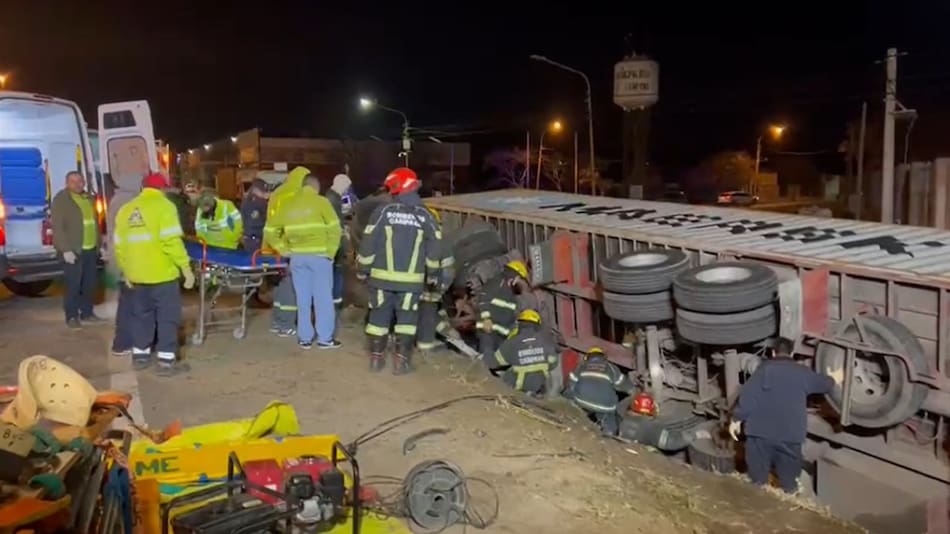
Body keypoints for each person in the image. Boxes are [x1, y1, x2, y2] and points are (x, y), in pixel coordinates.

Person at [729, 338, 843, 493]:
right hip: (789, 436)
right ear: (792, 353)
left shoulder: (763, 370)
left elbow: (747, 397)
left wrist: (736, 419)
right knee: (789, 483)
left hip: (760, 435)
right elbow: (825, 384)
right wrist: (835, 377)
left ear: (773, 352)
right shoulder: (802, 373)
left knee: (756, 482)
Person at [356, 167, 441, 374]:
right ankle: (401, 364)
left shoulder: (382, 212)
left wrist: (362, 270)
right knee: (406, 321)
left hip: (380, 281)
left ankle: (376, 361)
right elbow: (434, 251)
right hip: (411, 284)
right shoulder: (426, 216)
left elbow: (368, 244)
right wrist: (433, 276)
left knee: (378, 319)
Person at [114, 173, 195, 375]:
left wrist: (127, 272)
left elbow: (119, 247)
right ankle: (166, 361)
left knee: (141, 316)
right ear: (162, 189)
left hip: (137, 277)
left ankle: (140, 356)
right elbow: (171, 242)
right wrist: (186, 268)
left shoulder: (125, 210)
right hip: (162, 275)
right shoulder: (165, 207)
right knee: (168, 317)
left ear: (143, 188)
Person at [266, 175, 342, 350]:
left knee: (302, 299)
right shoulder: (321, 202)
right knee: (323, 299)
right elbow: (335, 228)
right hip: (320, 257)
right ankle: (325, 339)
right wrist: (330, 253)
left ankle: (305, 338)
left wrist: (284, 249)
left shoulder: (288, 205)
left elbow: (270, 230)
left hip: (297, 258)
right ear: (315, 187)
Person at [51, 171, 102, 329]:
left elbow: (94, 223)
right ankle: (71, 316)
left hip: (90, 249)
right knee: (73, 285)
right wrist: (65, 249)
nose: (77, 184)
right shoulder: (61, 199)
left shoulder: (89, 198)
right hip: (73, 250)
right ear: (67, 183)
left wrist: (99, 245)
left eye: (80, 181)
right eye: (73, 181)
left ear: (84, 182)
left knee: (89, 284)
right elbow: (58, 227)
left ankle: (87, 313)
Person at [264, 167, 310, 336]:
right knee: (291, 287)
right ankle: (287, 324)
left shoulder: (278, 192)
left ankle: (277, 322)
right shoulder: (295, 195)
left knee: (280, 286)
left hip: (272, 246)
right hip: (289, 247)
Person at [565, 347, 635, 436]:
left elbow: (571, 383)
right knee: (609, 417)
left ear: (587, 357)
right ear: (603, 357)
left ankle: (576, 421)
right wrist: (633, 391)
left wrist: (572, 397)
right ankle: (609, 433)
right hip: (604, 406)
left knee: (571, 399)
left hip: (582, 401)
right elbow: (623, 385)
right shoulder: (611, 368)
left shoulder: (582, 366)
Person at [490, 309, 560, 397]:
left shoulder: (512, 342)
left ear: (519, 324)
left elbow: (495, 362)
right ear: (537, 326)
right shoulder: (546, 343)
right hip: (540, 386)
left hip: (518, 387)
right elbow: (554, 363)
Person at [416, 207, 455, 354]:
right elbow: (448, 270)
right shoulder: (442, 243)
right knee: (427, 314)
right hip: (431, 288)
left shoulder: (413, 239)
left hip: (412, 287)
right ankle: (425, 347)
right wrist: (441, 288)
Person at [474, 260, 530, 361]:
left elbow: (509, 315)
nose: (519, 281)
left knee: (497, 360)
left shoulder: (512, 295)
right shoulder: (497, 282)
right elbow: (484, 298)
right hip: (488, 330)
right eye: (519, 278)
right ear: (514, 276)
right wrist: (486, 319)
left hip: (500, 335)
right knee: (486, 357)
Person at [323, 173, 352, 307]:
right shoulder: (332, 199)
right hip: (334, 241)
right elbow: (334, 222)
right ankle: (335, 300)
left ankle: (335, 299)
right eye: (346, 187)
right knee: (336, 271)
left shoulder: (332, 197)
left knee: (335, 271)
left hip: (333, 241)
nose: (347, 190)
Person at [241, 178, 270, 250]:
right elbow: (256, 222)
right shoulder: (257, 202)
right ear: (256, 190)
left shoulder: (247, 200)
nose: (266, 194)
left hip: (250, 238)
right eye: (263, 191)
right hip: (256, 239)